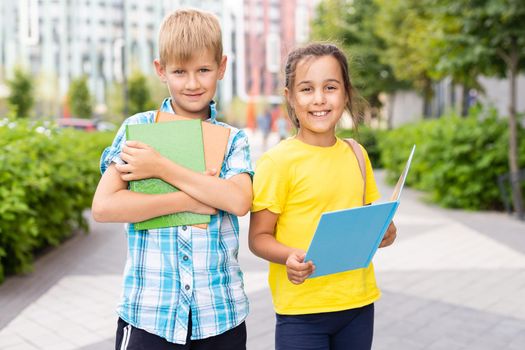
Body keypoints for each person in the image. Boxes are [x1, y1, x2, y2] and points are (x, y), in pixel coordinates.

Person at [92, 9, 253, 350]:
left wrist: (161, 168)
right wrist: (192, 200)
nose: (192, 83)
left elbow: (238, 201)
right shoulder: (140, 129)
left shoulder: (232, 139)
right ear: (161, 70)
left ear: (221, 67)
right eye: (180, 71)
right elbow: (104, 207)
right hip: (150, 314)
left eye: (204, 70)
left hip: (219, 314)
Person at [248, 43, 397, 350]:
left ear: (345, 93)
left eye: (330, 87)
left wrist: (384, 232)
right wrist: (288, 256)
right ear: (289, 96)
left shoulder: (357, 153)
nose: (319, 99)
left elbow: (363, 222)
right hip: (301, 311)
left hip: (357, 303)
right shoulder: (278, 162)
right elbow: (259, 237)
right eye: (306, 89)